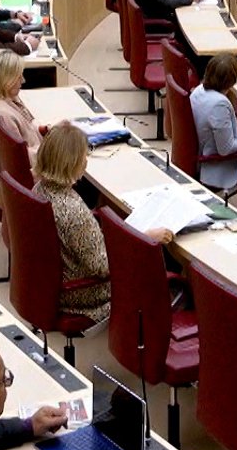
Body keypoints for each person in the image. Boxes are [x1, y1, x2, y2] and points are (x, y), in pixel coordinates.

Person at [35, 126, 164, 323]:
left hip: (56, 280)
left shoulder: (40, 189)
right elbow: (104, 267)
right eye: (84, 156)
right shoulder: (74, 211)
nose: (87, 161)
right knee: (158, 264)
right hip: (84, 292)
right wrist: (145, 238)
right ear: (73, 162)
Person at [0, 50, 44, 171]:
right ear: (5, 80)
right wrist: (58, 151)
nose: (23, 81)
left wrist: (43, 131)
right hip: (36, 178)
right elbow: (20, 159)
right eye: (18, 77)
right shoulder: (3, 116)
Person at [191, 56, 237, 193]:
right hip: (215, 165)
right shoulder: (219, 104)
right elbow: (226, 148)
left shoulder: (198, 90)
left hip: (200, 151)